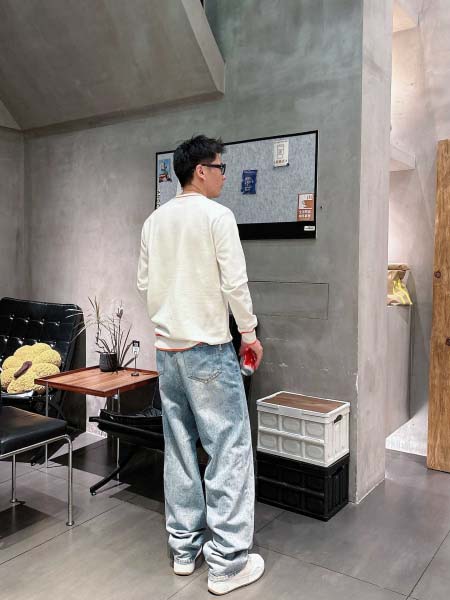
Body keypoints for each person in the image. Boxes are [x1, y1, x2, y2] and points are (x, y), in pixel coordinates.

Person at [137, 135, 264, 595]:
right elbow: (235, 283)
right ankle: (227, 562)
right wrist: (249, 334)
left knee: (179, 447)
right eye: (221, 168)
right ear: (201, 171)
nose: (224, 176)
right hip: (208, 349)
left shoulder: (154, 221)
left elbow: (144, 283)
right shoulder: (217, 216)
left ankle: (184, 550)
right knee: (229, 448)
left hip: (166, 351)